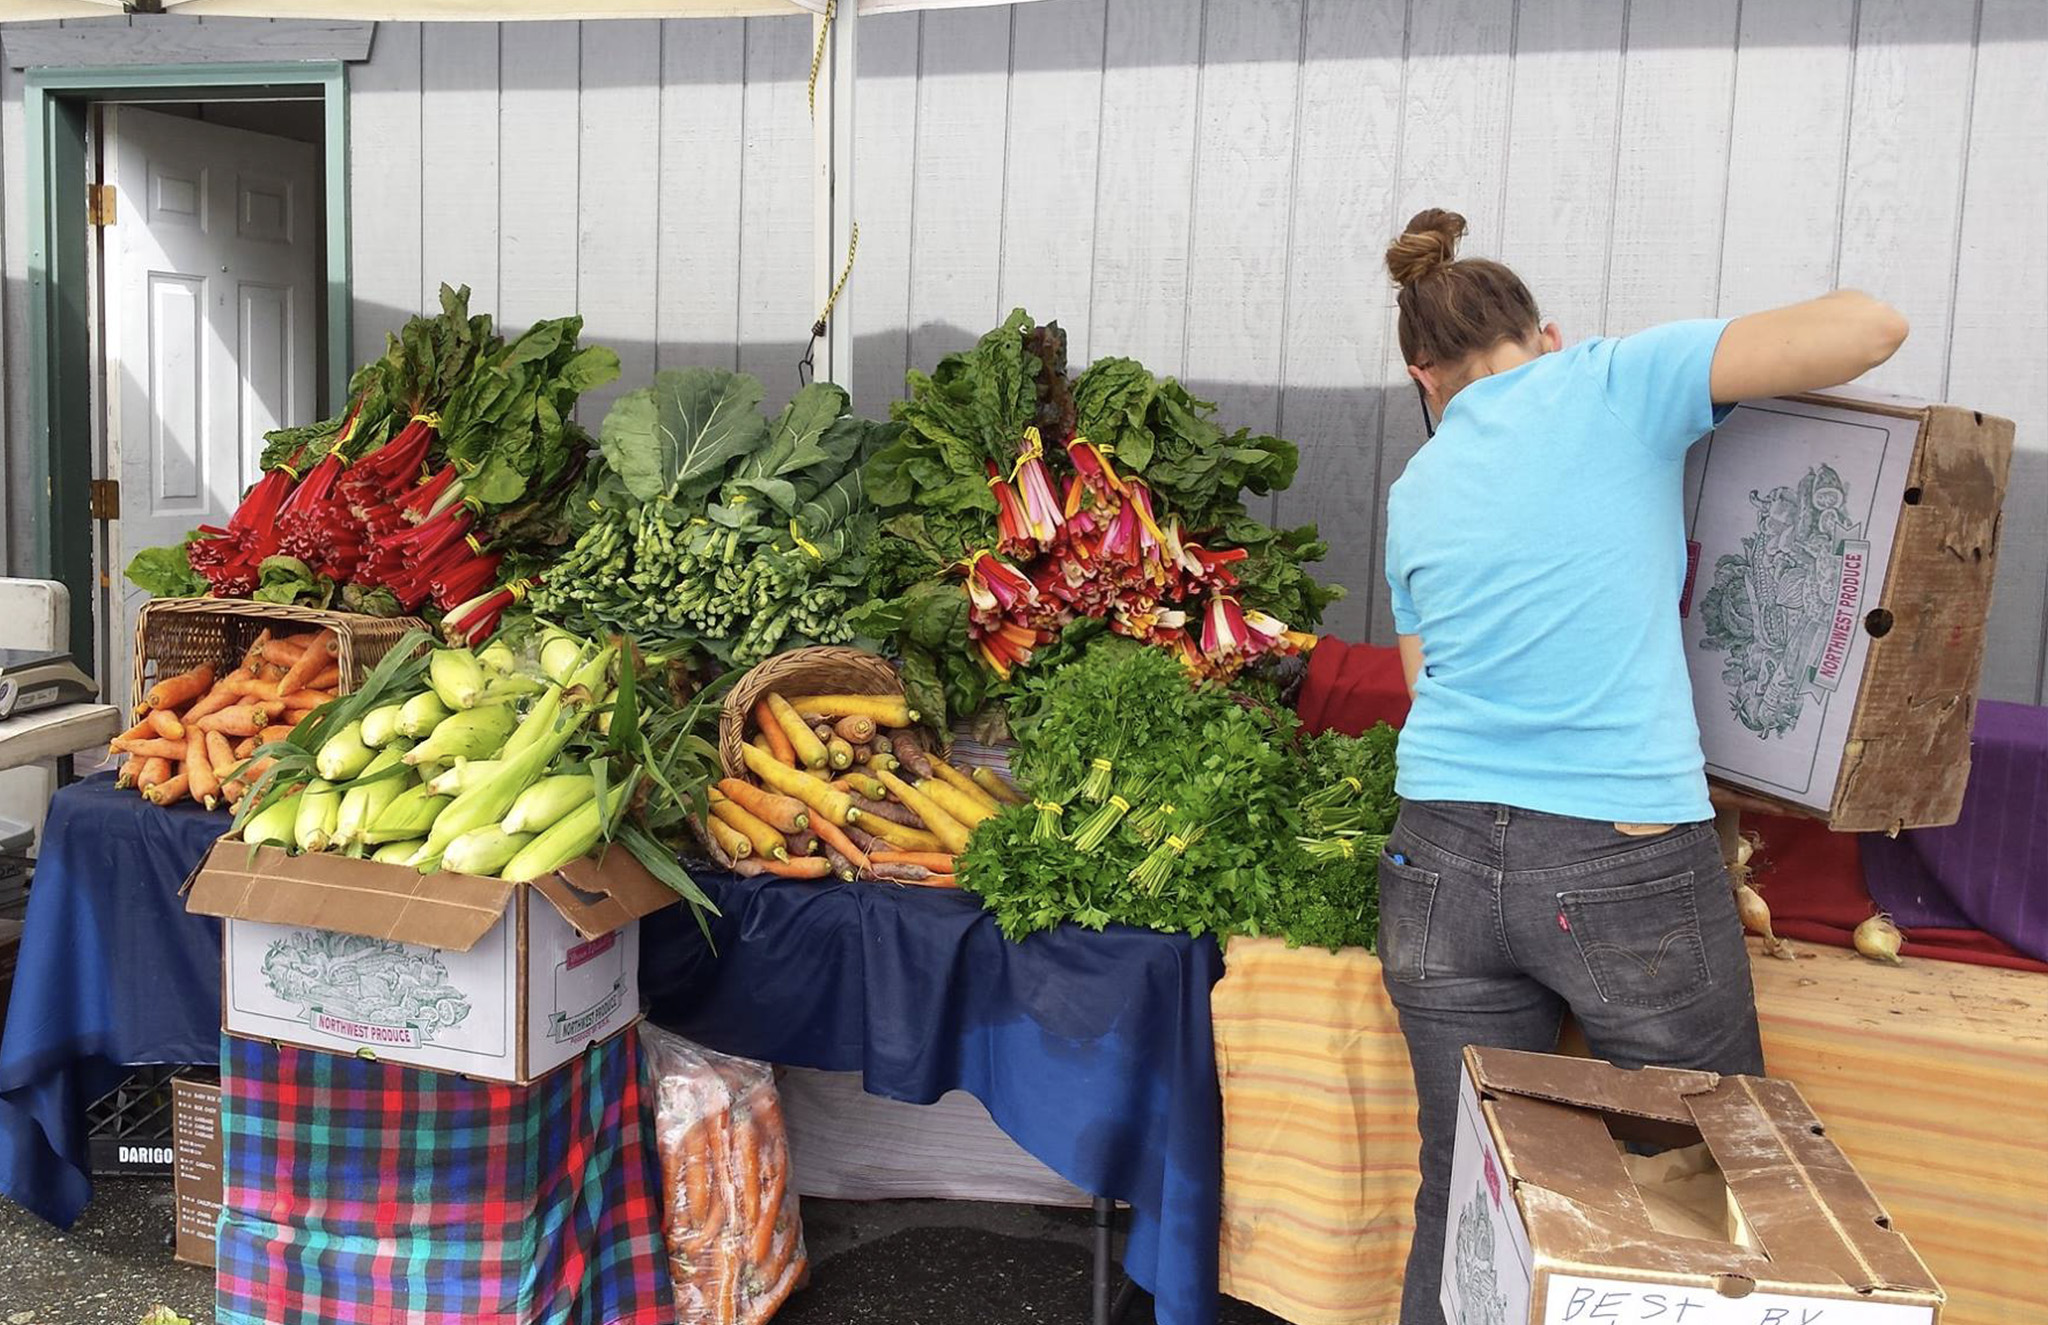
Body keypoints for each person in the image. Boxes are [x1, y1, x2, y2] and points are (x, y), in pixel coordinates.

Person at [1376, 208, 1908, 1325]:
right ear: (1547, 332)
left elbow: (1424, 681)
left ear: (1422, 376)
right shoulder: (1611, 380)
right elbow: (1871, 327)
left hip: (1435, 854)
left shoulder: (1414, 489)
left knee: (1472, 1181)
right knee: (1702, 1182)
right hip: (1617, 856)